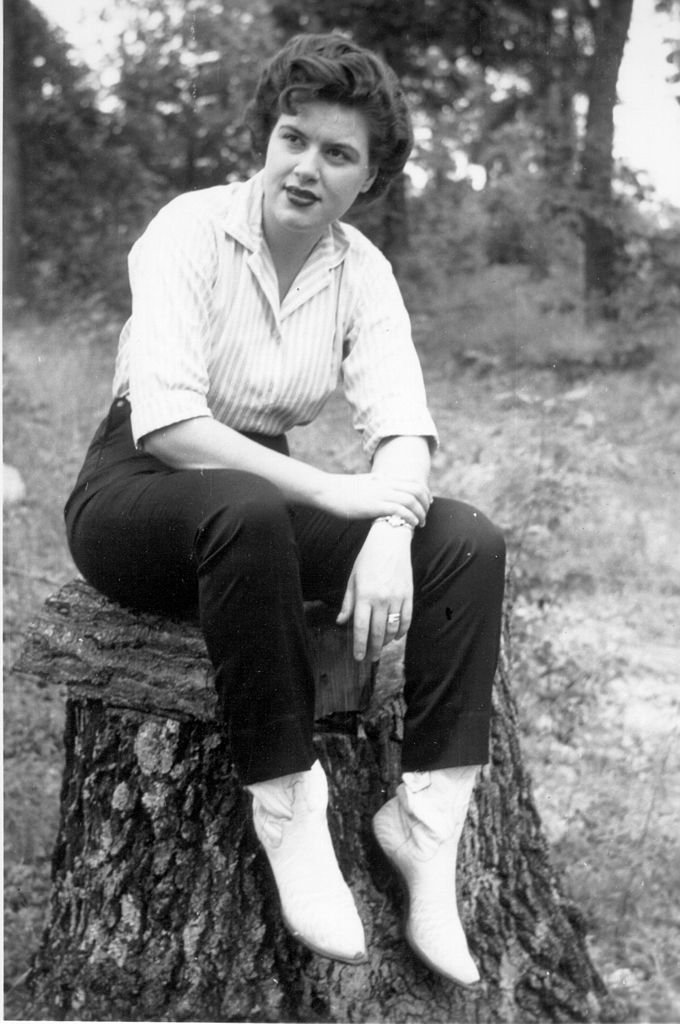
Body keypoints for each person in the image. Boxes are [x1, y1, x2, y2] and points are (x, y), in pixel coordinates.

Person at [64, 32, 505, 988]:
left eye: (337, 154)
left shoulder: (361, 272)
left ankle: (425, 827)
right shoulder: (187, 227)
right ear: (267, 138)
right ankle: (287, 806)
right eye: (293, 137)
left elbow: (403, 428)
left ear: (370, 177)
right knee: (246, 507)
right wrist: (336, 491)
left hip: (253, 498)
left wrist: (389, 531)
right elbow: (170, 421)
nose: (305, 167)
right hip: (136, 491)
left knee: (462, 539)